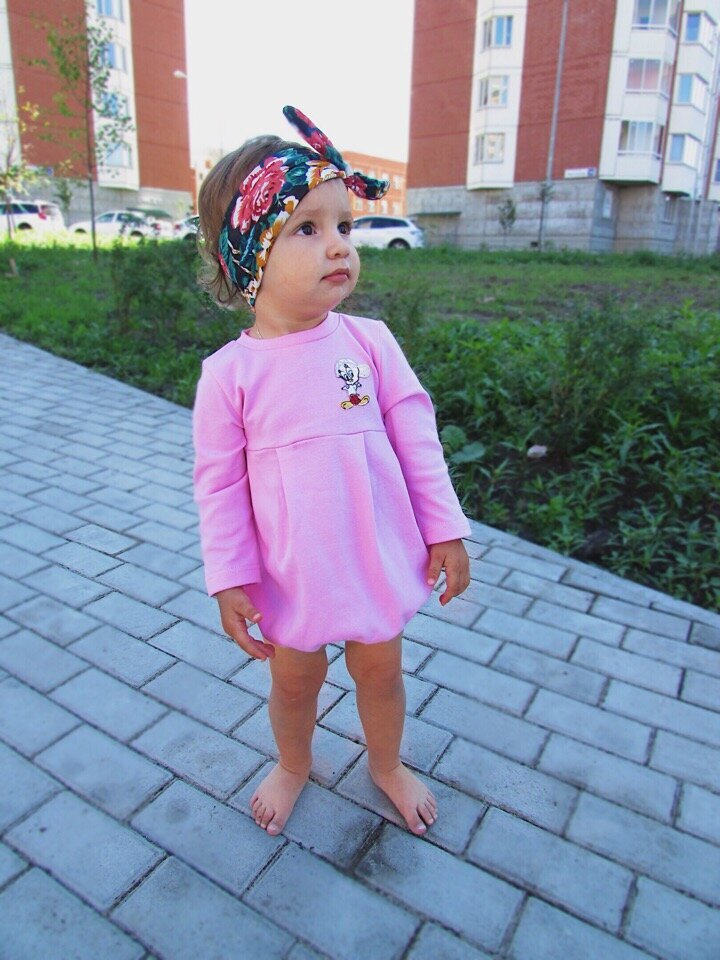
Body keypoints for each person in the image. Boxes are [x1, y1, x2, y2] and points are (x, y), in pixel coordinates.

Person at [193, 106, 471, 838]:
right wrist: (229, 578)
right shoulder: (229, 376)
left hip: (373, 558)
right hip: (292, 573)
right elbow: (218, 487)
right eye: (308, 229)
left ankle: (386, 764)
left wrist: (444, 529)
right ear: (249, 256)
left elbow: (418, 441)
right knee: (295, 681)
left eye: (345, 225)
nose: (340, 244)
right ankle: (293, 763)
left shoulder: (370, 343)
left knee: (380, 673)